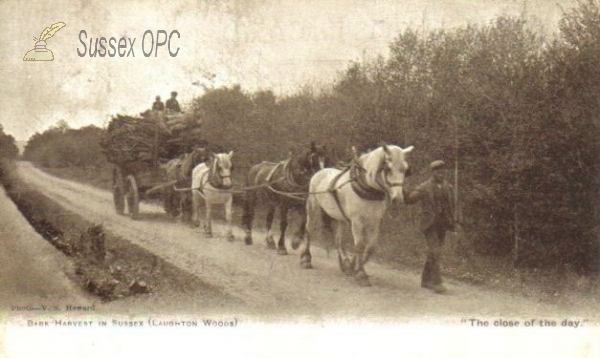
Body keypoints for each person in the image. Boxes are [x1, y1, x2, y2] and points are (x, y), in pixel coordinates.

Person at [404, 160, 456, 294]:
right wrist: (403, 187)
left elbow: (453, 206)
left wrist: (455, 221)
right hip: (429, 224)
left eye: (443, 172)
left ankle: (425, 280)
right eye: (438, 172)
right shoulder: (424, 187)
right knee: (435, 251)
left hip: (442, 225)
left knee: (433, 252)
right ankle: (436, 282)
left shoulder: (447, 187)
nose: (441, 174)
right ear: (432, 173)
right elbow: (409, 199)